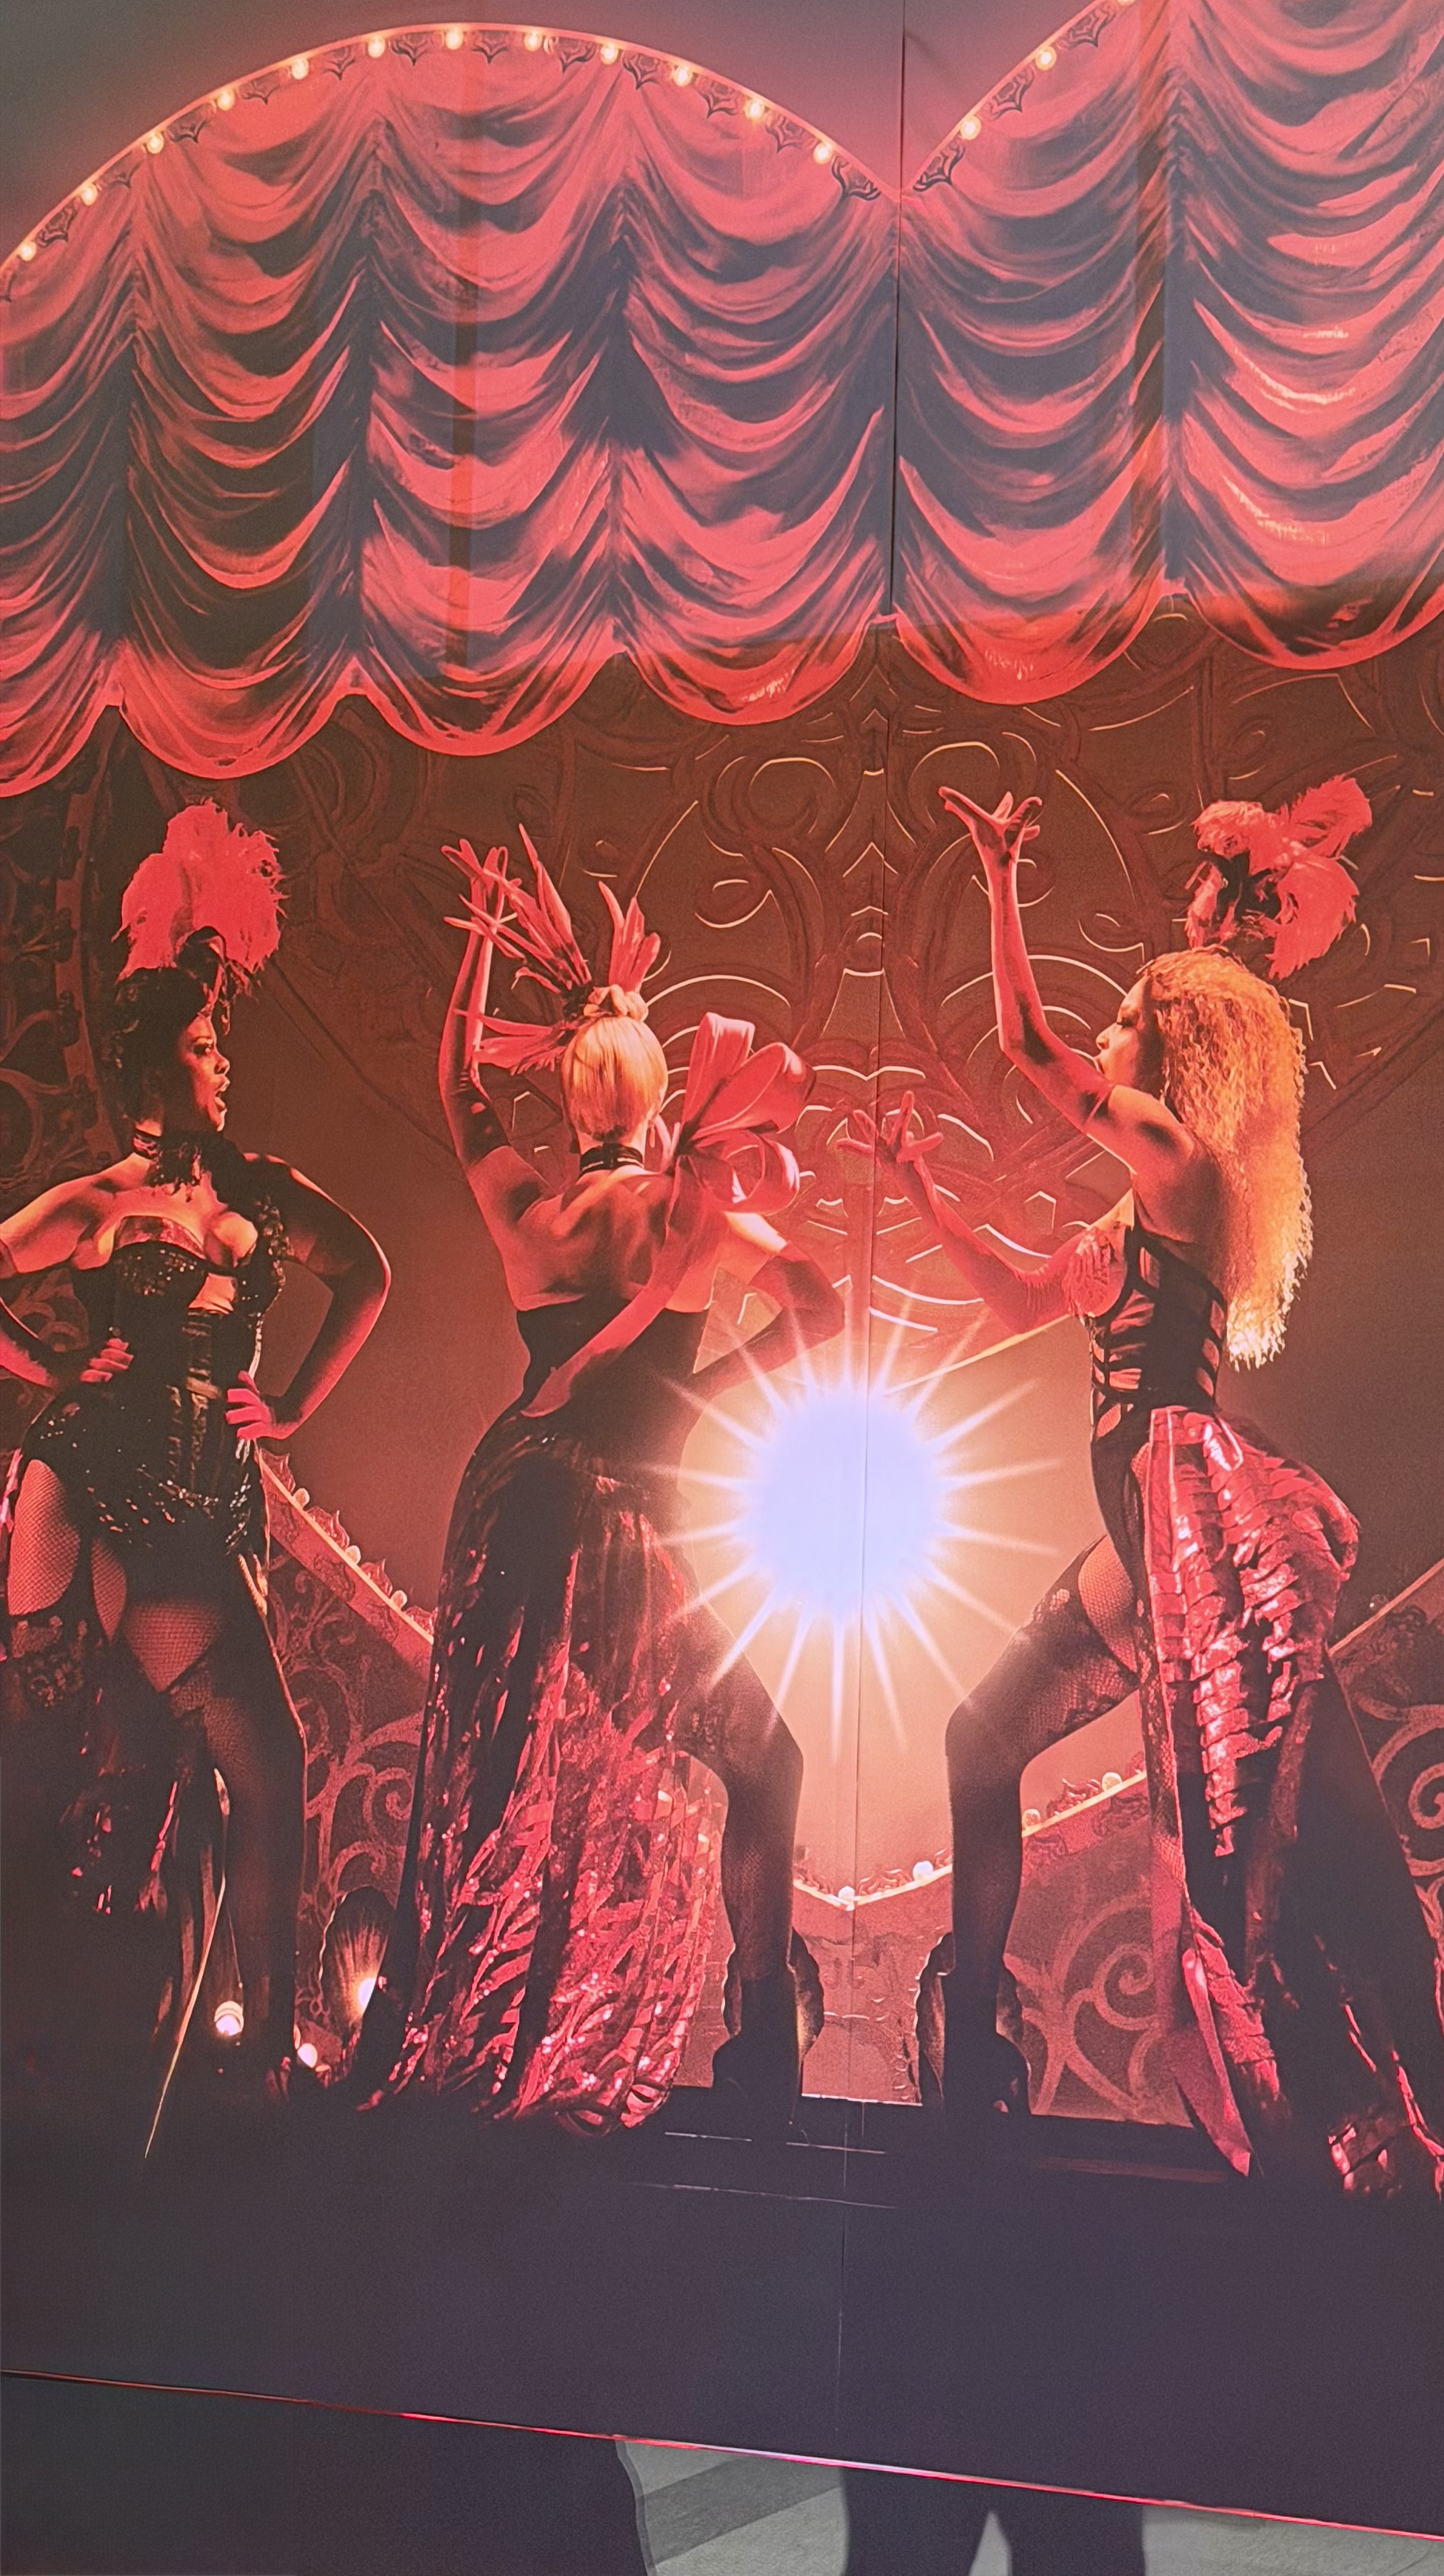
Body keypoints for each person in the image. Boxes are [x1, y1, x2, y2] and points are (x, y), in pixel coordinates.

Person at [849, 778, 1444, 2195]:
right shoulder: (1138, 1209)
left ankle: (1405, 2131)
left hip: (1193, 1534)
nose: (1109, 1035)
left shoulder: (1186, 1169)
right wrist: (924, 1193)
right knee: (979, 1741)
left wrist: (999, 879)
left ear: (1173, 1055)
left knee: (1304, 1843)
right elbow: (1020, 1297)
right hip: (1147, 1548)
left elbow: (1027, 1046)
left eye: (1128, 1019)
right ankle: (975, 2049)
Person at [354, 838, 841, 2133]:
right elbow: (822, 1307)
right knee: (762, 1760)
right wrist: (713, 1389)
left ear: (569, 1105)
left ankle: (466, 2027)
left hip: (514, 1493)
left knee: (507, 1775)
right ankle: (758, 2039)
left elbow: (459, 1090)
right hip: (622, 1520)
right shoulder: (694, 1217)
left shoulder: (532, 1211)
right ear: (659, 1093)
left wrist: (478, 950)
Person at [0, 804, 390, 2097]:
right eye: (204, 1047)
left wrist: (296, 1407)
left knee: (144, 1780)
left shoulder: (262, 1190)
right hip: (103, 1484)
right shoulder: (102, 1202)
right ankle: (266, 2060)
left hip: (209, 1495)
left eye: (220, 1044)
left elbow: (368, 1274)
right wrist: (56, 1368)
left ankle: (137, 2074)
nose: (222, 1062)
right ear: (156, 1069)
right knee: (246, 1767)